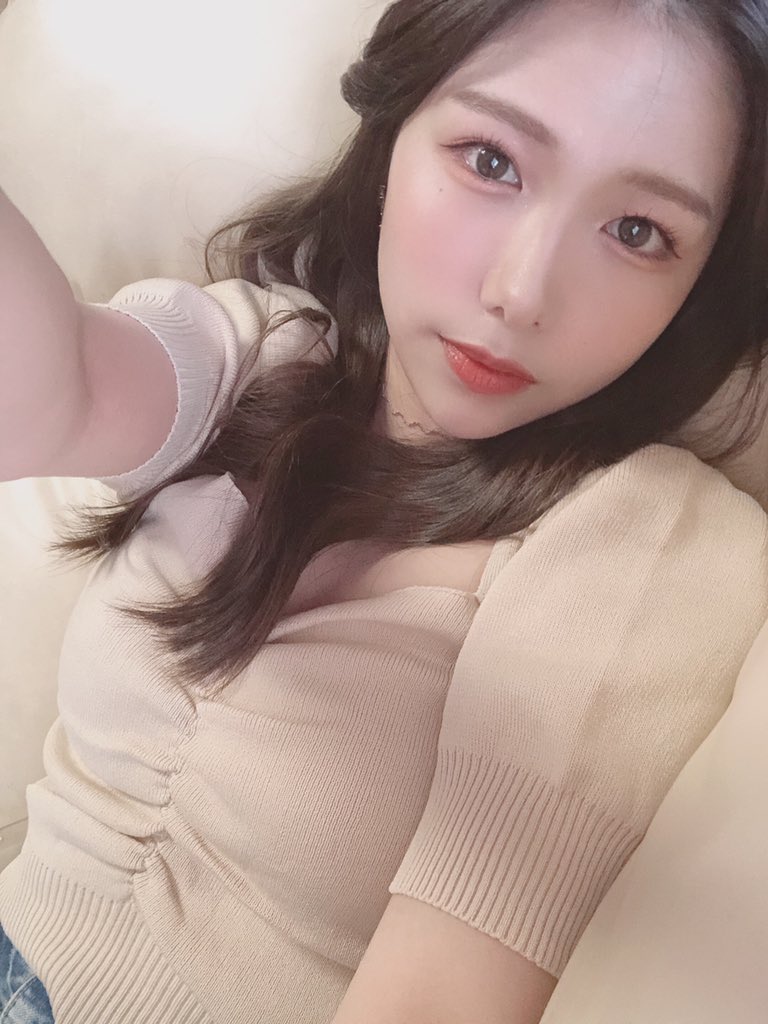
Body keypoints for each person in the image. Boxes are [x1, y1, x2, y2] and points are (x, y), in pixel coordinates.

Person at [1, 0, 768, 1021]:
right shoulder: (263, 351)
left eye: (638, 231)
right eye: (491, 161)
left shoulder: (650, 535)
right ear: (392, 137)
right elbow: (45, 400)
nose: (522, 292)